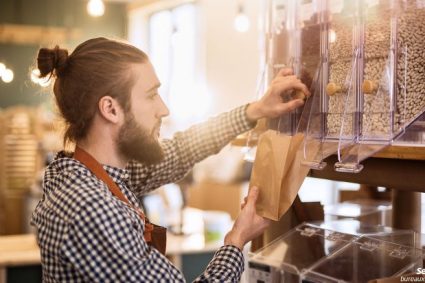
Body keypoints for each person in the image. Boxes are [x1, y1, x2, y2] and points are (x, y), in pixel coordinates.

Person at [31, 37, 310, 282]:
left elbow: (180, 151)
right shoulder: (91, 209)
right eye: (152, 95)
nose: (163, 109)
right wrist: (236, 240)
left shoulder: (90, 175)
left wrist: (256, 110)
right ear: (111, 109)